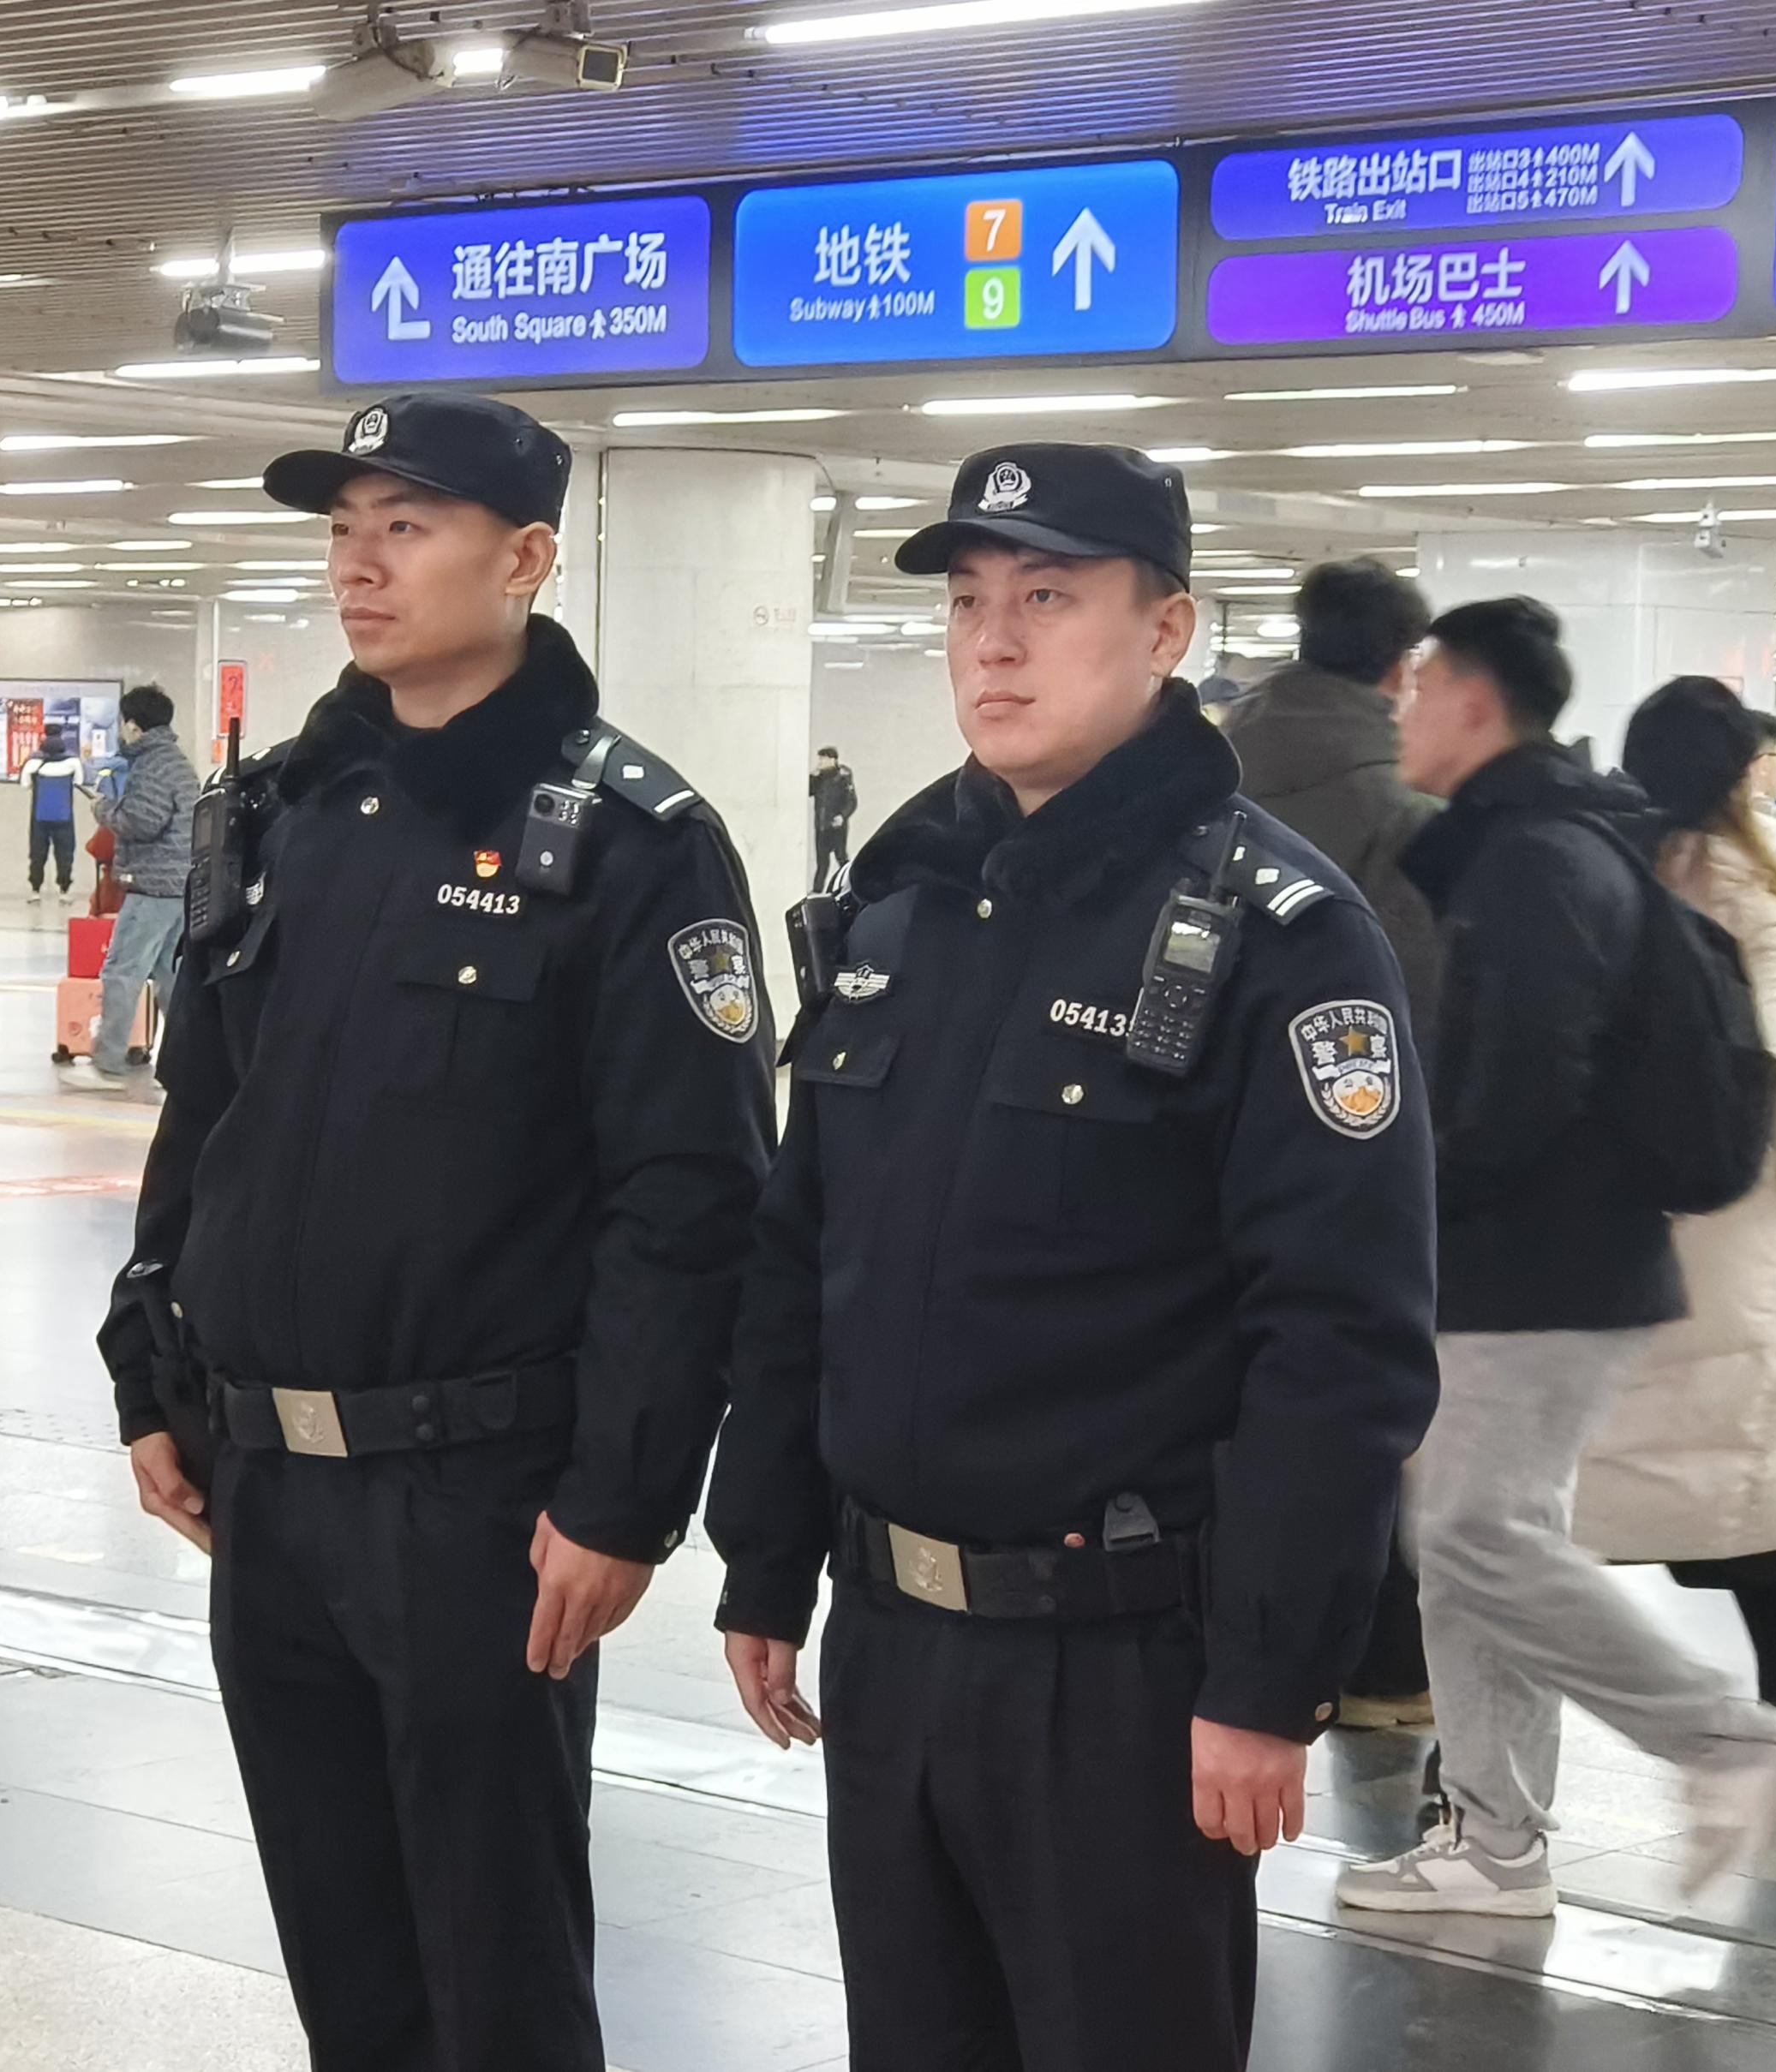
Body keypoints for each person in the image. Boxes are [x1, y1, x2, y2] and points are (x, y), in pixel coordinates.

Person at [709, 443, 1439, 2071]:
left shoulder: (1279, 934)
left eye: (1047, 596)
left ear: (1166, 627)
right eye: (969, 602)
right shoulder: (901, 904)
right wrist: (764, 1552)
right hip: (890, 1637)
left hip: (1122, 1667)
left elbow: (1339, 1342)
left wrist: (1266, 1678)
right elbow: (803, 1254)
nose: (993, 641)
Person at [100, 392, 775, 2071]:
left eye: (406, 526)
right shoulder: (284, 811)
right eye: (344, 529)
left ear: (526, 558)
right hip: (266, 1487)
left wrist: (624, 1494)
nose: (359, 564)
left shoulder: (631, 840)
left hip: (479, 1499)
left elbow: (690, 1200)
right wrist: (148, 1371)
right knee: (345, 1957)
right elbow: (205, 1113)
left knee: (496, 1969)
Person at [1338, 600, 1776, 1921]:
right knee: (1475, 1543)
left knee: (1473, 1532)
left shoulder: (1536, 857)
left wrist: (1405, 1199)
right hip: (1550, 1260)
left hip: (1539, 1262)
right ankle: (1494, 1841)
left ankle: (1722, 1735)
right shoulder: (1545, 838)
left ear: (1474, 700)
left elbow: (1519, 1088)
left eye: (1421, 685)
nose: (1402, 709)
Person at [1572, 678, 1776, 1759]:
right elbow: (1774, 1060)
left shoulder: (1596, 861)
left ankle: (1479, 1736)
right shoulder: (1748, 885)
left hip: (1614, 1197)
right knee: (1740, 1455)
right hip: (1729, 1201)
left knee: (1576, 1477)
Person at [1217, 556, 1444, 1735]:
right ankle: (1380, 1667)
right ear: (1401, 668)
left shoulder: (1203, 775)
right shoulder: (1408, 814)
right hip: (1341, 1149)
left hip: (1178, 1155)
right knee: (1356, 1411)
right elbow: (1419, 1026)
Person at [63, 685, 199, 1092]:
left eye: (123, 723)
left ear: (134, 726)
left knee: (122, 972)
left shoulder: (153, 765)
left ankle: (108, 1062)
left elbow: (142, 822)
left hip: (153, 885)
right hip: (178, 884)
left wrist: (103, 809)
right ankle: (188, 1061)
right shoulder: (175, 761)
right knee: (170, 977)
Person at [22, 725, 83, 901]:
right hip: (64, 815)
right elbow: (79, 782)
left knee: (37, 854)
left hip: (39, 816)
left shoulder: (33, 762)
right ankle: (64, 891)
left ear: (44, 735)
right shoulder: (73, 761)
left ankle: (35, 891)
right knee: (65, 854)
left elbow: (25, 785)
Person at [810, 744, 858, 887]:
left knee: (841, 857)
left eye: (823, 759)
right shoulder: (819, 778)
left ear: (832, 760)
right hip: (821, 825)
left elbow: (852, 801)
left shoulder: (843, 776)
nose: (820, 762)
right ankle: (817, 891)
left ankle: (850, 885)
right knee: (822, 862)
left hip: (836, 826)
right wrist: (812, 777)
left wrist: (842, 816)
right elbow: (809, 791)